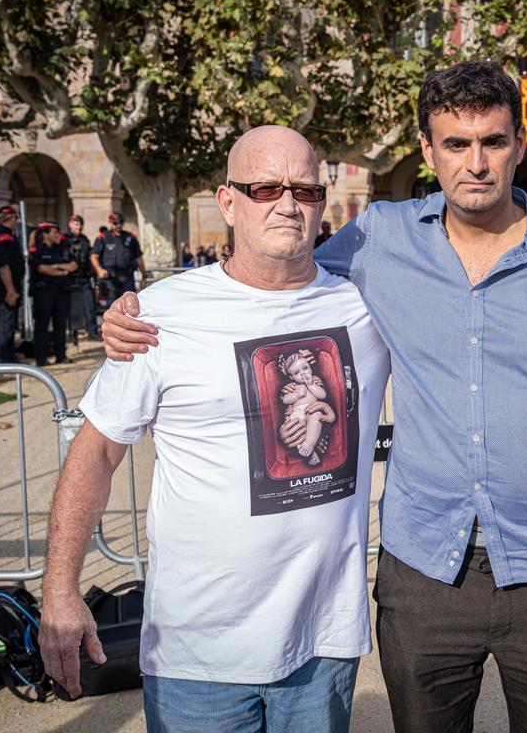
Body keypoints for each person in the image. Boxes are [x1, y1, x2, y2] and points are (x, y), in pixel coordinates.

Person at [102, 62, 527, 733]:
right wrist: (146, 306)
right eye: (455, 144)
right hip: (423, 578)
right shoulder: (377, 241)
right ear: (427, 151)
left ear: (520, 145)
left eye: (493, 142)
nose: (475, 163)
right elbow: (271, 267)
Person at [40, 126, 392, 732]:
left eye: (305, 191)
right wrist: (60, 589)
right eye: (266, 188)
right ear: (228, 202)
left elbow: (461, 221)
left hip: (324, 639)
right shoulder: (160, 316)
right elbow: (95, 451)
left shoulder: (366, 304)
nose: (288, 204)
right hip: (196, 652)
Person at [28, 222, 78, 366]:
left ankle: (61, 355)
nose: (57, 235)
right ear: (45, 234)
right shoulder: (37, 250)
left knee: (60, 325)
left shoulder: (62, 248)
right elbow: (41, 268)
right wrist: (62, 272)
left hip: (61, 291)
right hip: (44, 292)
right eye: (54, 233)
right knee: (42, 326)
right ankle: (41, 359)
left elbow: (73, 265)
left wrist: (55, 267)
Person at [0, 204, 25, 362]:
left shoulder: (5, 235)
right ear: (10, 219)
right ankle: (2, 360)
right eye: (15, 218)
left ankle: (9, 357)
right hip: (7, 286)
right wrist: (10, 290)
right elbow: (4, 266)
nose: (17, 221)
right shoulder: (4, 238)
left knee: (10, 322)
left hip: (9, 285)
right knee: (6, 323)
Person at [90, 212, 144, 301]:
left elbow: (139, 257)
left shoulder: (130, 237)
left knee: (129, 303)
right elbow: (93, 256)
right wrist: (99, 270)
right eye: (115, 223)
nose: (118, 225)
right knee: (111, 306)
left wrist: (144, 276)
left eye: (121, 223)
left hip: (127, 277)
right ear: (110, 223)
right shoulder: (103, 237)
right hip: (110, 277)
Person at [64, 215, 100, 339]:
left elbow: (89, 260)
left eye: (80, 224)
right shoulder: (64, 239)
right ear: (70, 225)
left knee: (90, 306)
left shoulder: (85, 240)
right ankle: (72, 333)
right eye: (76, 224)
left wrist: (94, 279)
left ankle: (92, 332)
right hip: (69, 278)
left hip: (84, 277)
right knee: (71, 308)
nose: (78, 227)